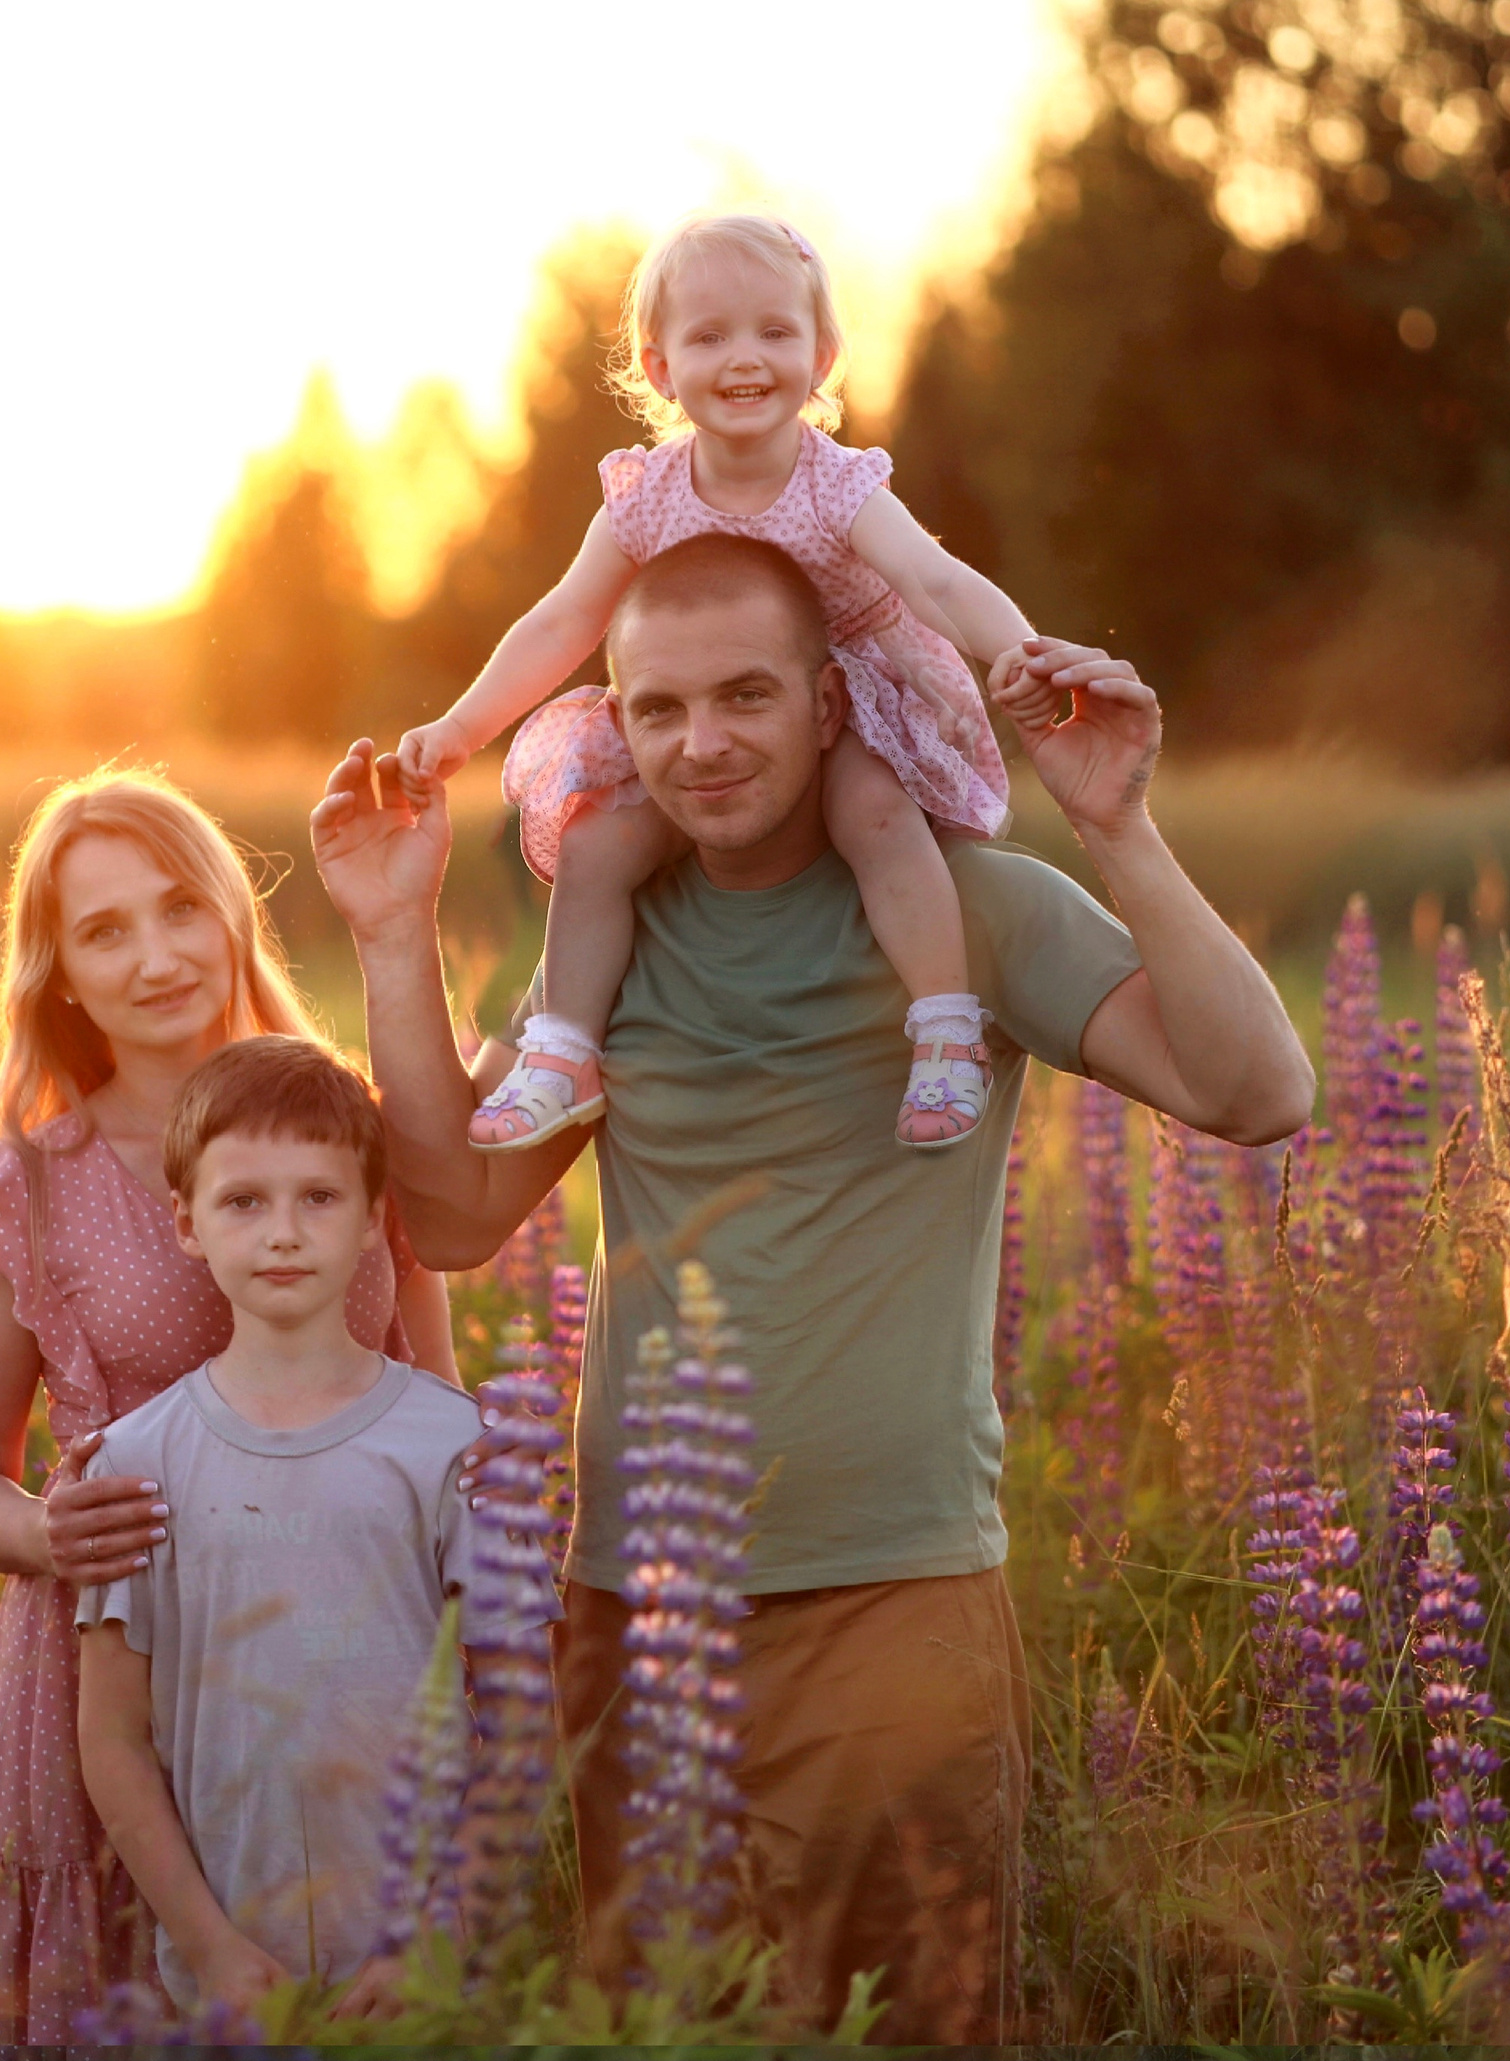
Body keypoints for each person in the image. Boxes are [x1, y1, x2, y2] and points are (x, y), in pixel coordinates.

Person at [314, 531, 1314, 2042]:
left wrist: (1116, 827)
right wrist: (393, 935)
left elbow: (1259, 1092)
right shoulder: (611, 937)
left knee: (903, 2022)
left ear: (831, 700)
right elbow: (452, 1216)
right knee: (662, 2025)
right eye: (657, 710)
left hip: (892, 1585)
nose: (701, 744)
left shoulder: (972, 910)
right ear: (617, 725)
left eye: (743, 697)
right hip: (641, 1602)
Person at [0, 769, 455, 2043]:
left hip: (347, 1652)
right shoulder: (25, 1201)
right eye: (103, 931)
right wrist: (46, 1535)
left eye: (177, 909)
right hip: (116, 1676)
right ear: (57, 975)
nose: (155, 957)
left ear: (230, 917)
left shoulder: (353, 1141)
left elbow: (439, 1413)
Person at [395, 212, 1031, 1156]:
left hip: (848, 692)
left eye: (776, 332)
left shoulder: (840, 485)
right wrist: (459, 728)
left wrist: (1021, 653)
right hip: (706, 718)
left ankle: (946, 1030)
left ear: (821, 354)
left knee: (874, 815)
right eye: (710, 335)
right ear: (658, 367)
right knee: (600, 844)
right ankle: (563, 1049)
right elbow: (564, 620)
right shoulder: (647, 495)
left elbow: (932, 580)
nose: (746, 357)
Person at [76, 1036, 557, 2019]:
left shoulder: (456, 1445)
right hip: (223, 1980)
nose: (283, 1233)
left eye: (319, 1198)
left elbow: (522, 1717)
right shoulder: (134, 1460)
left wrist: (445, 1930)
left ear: (376, 1218)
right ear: (186, 1222)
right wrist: (210, 1949)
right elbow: (113, 1739)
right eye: (244, 1201)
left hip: (429, 1978)